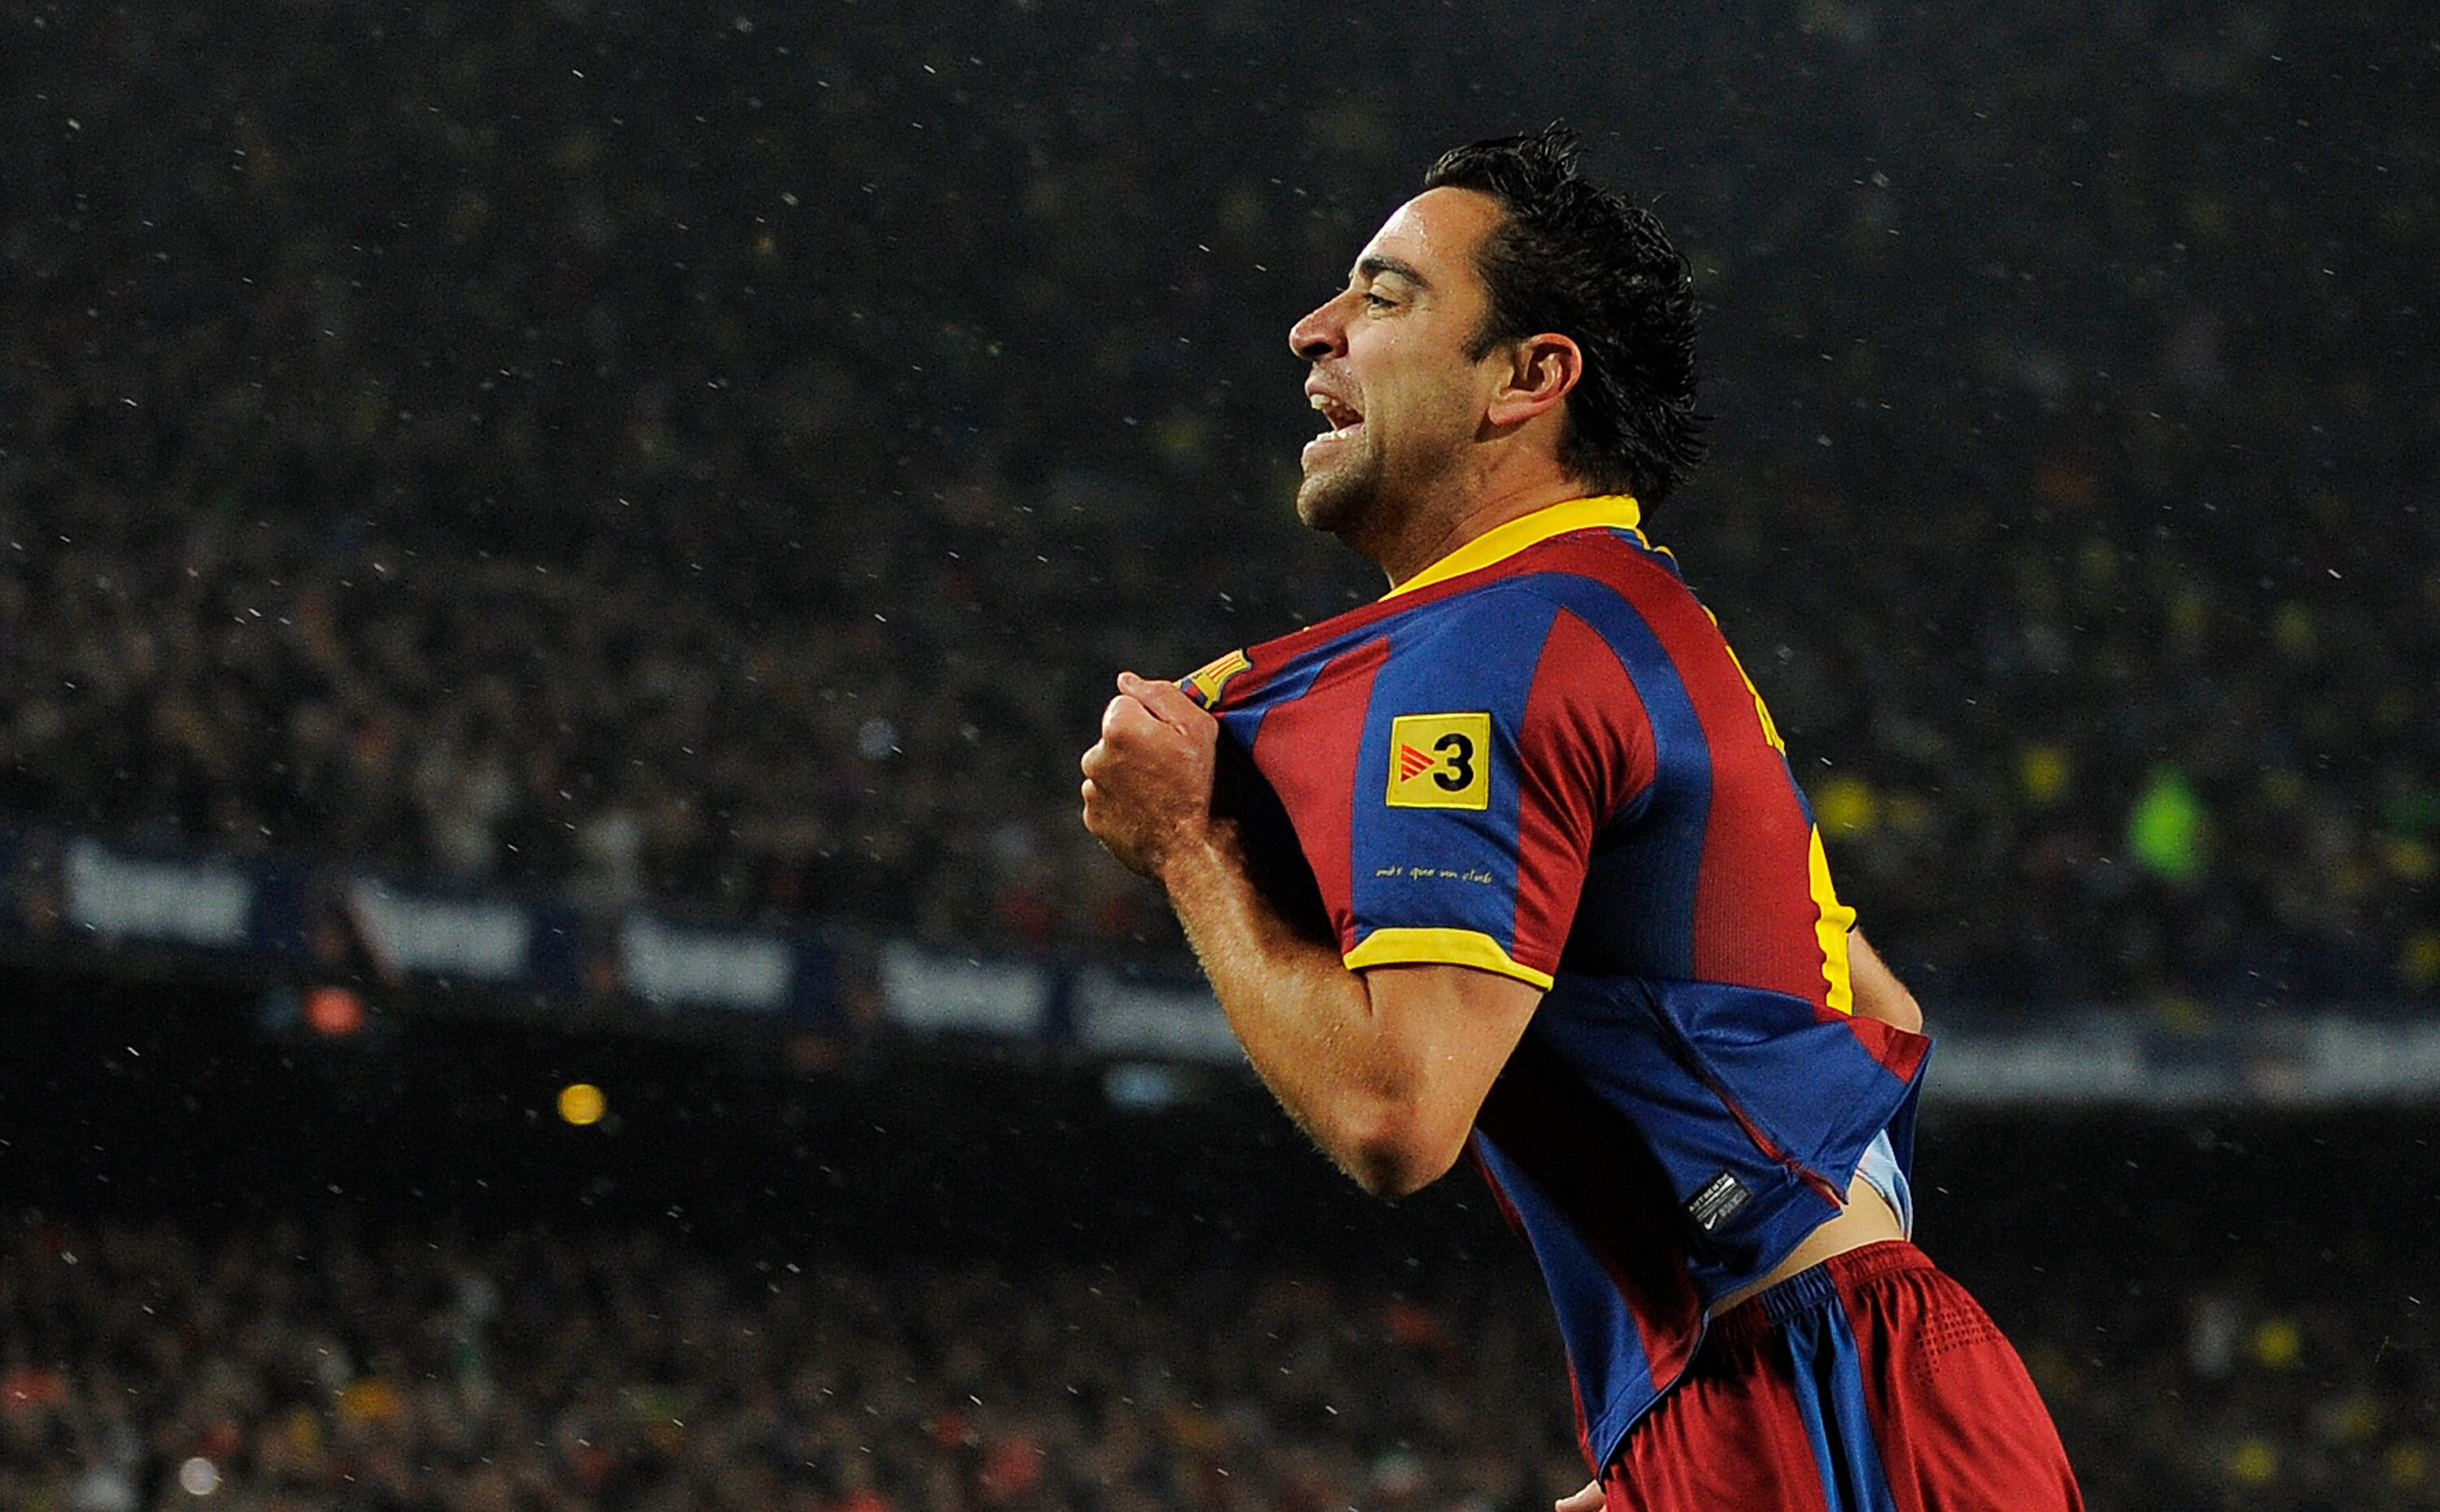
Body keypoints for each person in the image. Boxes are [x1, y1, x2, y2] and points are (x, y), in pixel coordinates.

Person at [1079, 127, 2080, 1510]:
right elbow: (1876, 1010)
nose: (1315, 328)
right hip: (1828, 1376)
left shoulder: (1495, 647)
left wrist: (1191, 846)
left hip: (1809, 1387)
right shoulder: (1622, 616)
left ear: (1529, 379)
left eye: (1385, 294)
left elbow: (1395, 1113)